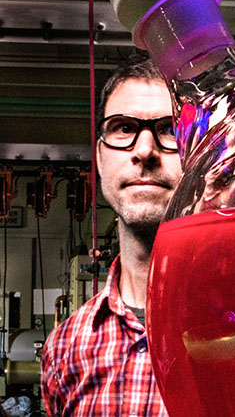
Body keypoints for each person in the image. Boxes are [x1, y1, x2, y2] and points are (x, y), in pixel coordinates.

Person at [41, 55, 181, 416]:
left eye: (169, 128)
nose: (145, 150)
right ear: (100, 159)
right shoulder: (64, 349)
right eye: (123, 128)